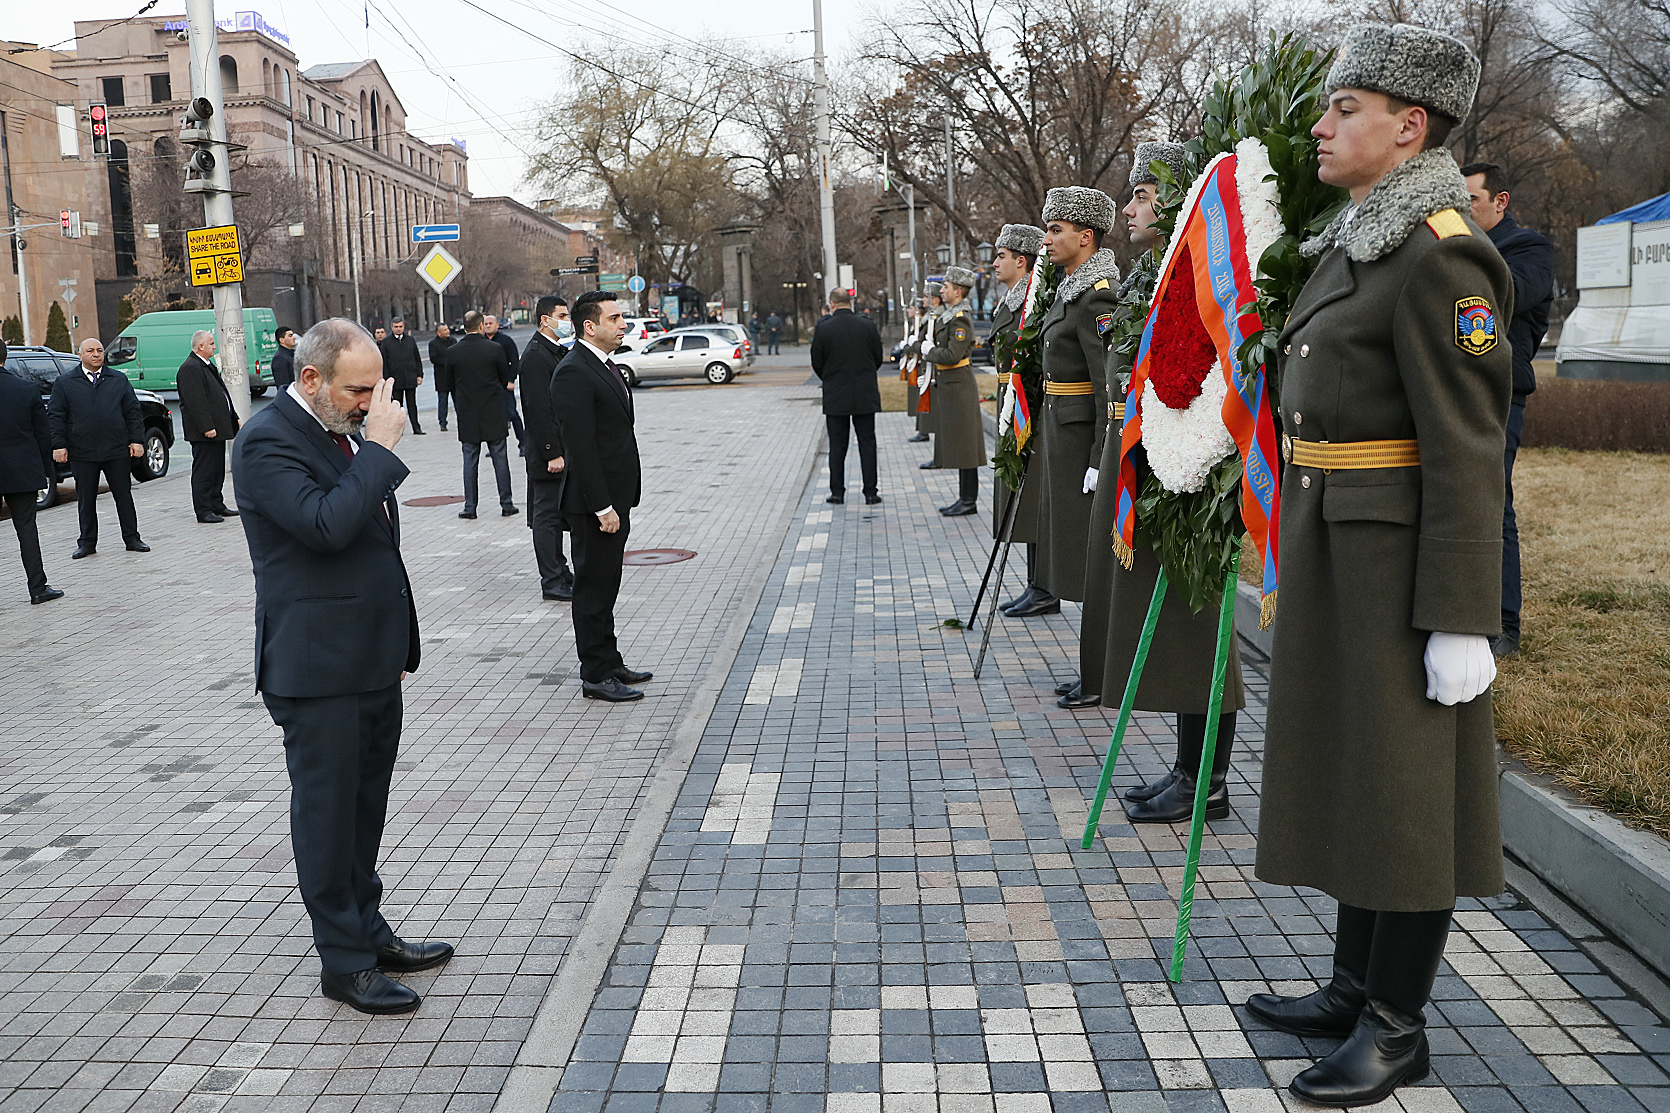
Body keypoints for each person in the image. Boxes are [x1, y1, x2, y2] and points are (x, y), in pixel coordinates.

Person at [1249, 25, 1513, 1106]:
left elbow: (1466, 447)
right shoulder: (1362, 235)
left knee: (1403, 792)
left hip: (1398, 565)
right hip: (1335, 545)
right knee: (1357, 770)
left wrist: (1461, 614)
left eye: (1342, 107)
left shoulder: (1438, 248)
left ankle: (1397, 1027)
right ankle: (1353, 984)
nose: (1318, 125)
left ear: (1407, 127)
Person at [231, 318, 451, 1016]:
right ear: (311, 380)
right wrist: (378, 451)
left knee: (364, 812)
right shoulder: (266, 440)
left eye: (374, 388)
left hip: (369, 661)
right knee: (329, 820)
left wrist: (392, 646)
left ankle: (370, 930)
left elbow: (371, 542)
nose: (370, 402)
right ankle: (345, 962)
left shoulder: (336, 434)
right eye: (359, 389)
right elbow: (326, 526)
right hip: (316, 669)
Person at [1068, 143, 1249, 817]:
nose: (1130, 207)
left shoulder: (1209, 276)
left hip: (1195, 470)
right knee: (1175, 625)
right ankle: (1186, 767)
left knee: (1200, 625)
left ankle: (1212, 779)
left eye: (1145, 194)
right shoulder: (1155, 276)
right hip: (1153, 463)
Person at [1461, 160, 1555, 659]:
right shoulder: (1453, 246)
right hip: (1451, 389)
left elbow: (1504, 293)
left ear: (1501, 201)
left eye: (1472, 201)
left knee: (1494, 506)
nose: (1464, 211)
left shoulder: (1529, 249)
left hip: (1498, 394)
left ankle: (1504, 623)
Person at [1033, 186, 1120, 689]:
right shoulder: (1070, 287)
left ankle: (1096, 676)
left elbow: (1106, 383)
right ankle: (1091, 671)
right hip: (1059, 435)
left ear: (1085, 237)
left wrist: (1096, 455)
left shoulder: (1097, 294)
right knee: (1074, 555)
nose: (1046, 240)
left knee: (1090, 561)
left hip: (1080, 443)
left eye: (1055, 230)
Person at [549, 291, 653, 703]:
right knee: (592, 588)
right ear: (589, 326)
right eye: (615, 318)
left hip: (615, 497)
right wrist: (602, 506)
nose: (623, 323)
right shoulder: (573, 371)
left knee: (608, 583)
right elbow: (581, 446)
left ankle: (610, 660)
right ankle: (595, 674)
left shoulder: (605, 366)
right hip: (595, 504)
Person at [986, 224, 1058, 617]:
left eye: (1002, 255)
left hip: (1026, 406)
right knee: (1023, 496)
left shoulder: (1033, 302)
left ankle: (1045, 587)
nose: (996, 263)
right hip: (1010, 402)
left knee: (1033, 498)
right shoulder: (1012, 301)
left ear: (1022, 261)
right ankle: (1035, 582)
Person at [48, 337, 149, 559]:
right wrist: (59, 445)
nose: (96, 354)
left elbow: (133, 412)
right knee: (86, 499)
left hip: (115, 450)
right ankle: (87, 543)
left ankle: (132, 538)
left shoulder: (118, 380)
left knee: (124, 496)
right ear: (80, 355)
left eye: (100, 350)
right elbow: (56, 416)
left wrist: (137, 440)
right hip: (82, 451)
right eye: (90, 351)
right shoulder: (65, 383)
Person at [520, 295, 576, 600]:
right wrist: (552, 451)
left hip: (557, 450)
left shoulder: (552, 352)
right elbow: (538, 409)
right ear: (546, 320)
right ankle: (552, 581)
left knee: (555, 518)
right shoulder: (535, 356)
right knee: (546, 519)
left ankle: (560, 572)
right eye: (562, 316)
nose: (567, 321)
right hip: (547, 456)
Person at [810, 288, 884, 506]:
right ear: (849, 302)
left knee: (837, 445)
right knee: (867, 443)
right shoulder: (867, 325)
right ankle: (870, 492)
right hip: (864, 392)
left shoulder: (824, 328)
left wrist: (830, 378)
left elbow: (817, 361)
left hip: (836, 394)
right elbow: (877, 357)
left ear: (832, 304)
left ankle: (837, 492)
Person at [0, 341, 61, 604]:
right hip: (21, 470)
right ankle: (38, 588)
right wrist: (47, 471)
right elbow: (42, 434)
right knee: (27, 529)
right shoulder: (26, 389)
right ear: (6, 358)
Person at [923, 266, 983, 515]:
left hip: (959, 386)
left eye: (946, 287)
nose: (942, 290)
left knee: (966, 445)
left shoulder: (960, 319)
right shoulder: (950, 315)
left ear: (958, 292)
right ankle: (964, 497)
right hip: (952, 385)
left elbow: (952, 354)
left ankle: (968, 500)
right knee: (961, 443)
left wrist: (929, 352)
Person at [447, 312, 517, 520]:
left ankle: (470, 507)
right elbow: (504, 377)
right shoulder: (494, 348)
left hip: (468, 412)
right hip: (493, 410)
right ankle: (507, 504)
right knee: (500, 458)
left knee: (469, 460)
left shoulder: (453, 351)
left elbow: (450, 383)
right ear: (480, 326)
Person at [176, 329, 242, 524]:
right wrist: (206, 426)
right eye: (211, 343)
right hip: (205, 432)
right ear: (200, 346)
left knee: (216, 469)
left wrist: (233, 416)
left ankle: (216, 504)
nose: (214, 347)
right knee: (204, 470)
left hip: (218, 428)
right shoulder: (190, 368)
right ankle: (203, 510)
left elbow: (221, 394)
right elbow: (195, 401)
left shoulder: (206, 365)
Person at [483, 315, 526, 453]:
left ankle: (523, 443)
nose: (488, 325)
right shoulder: (482, 341)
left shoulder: (505, 341)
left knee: (512, 414)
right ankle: (494, 446)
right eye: (486, 323)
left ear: (497, 325)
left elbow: (514, 362)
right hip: (488, 386)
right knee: (491, 418)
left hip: (504, 385)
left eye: (491, 323)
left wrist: (510, 380)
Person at [379, 318, 425, 435]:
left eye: (400, 326)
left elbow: (417, 358)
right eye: (396, 327)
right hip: (395, 379)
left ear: (403, 327)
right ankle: (398, 430)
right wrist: (387, 378)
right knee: (397, 406)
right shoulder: (386, 342)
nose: (398, 329)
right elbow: (384, 362)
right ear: (392, 327)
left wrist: (419, 374)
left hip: (410, 377)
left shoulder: (410, 340)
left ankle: (416, 427)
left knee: (412, 404)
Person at [429, 323, 456, 432]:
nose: (447, 331)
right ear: (438, 333)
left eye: (447, 329)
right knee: (443, 400)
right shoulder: (433, 344)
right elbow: (434, 358)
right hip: (442, 376)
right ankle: (443, 422)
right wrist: (448, 362)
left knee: (458, 400)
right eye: (444, 330)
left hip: (454, 376)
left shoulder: (453, 341)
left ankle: (462, 420)